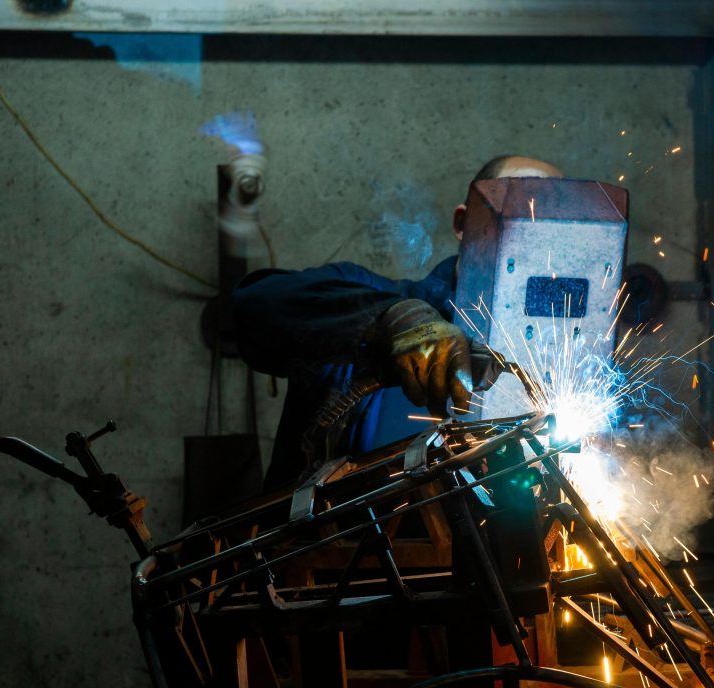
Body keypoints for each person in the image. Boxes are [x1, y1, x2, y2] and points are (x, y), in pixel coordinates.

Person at [231, 155, 563, 488]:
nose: (536, 238)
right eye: (523, 211)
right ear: (465, 224)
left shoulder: (565, 358)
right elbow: (252, 307)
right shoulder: (369, 298)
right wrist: (388, 321)